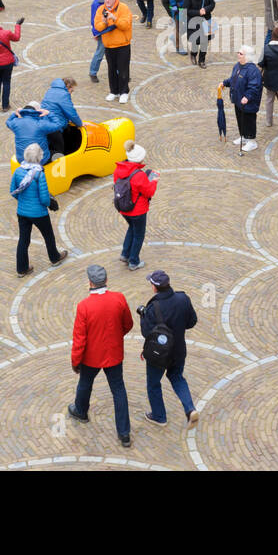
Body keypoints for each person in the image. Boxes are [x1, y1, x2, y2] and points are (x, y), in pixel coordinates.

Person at [68, 265, 134, 446]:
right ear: (106, 280)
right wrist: (115, 337)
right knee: (119, 390)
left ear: (90, 282)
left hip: (91, 357)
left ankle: (81, 411)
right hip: (114, 354)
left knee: (85, 383)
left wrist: (75, 361)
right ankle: (124, 433)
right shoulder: (119, 299)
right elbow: (128, 324)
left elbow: (79, 339)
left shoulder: (84, 306)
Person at [136, 268, 199, 426]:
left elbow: (146, 333)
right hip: (178, 351)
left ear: (155, 287)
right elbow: (192, 322)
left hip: (159, 355)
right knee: (177, 377)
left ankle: (159, 416)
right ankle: (190, 409)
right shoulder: (183, 299)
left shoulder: (153, 307)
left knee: (153, 384)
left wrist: (143, 316)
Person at [10, 143, 67, 276]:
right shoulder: (39, 174)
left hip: (22, 212)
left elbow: (13, 191)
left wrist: (23, 201)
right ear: (39, 157)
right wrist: (50, 204)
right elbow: (44, 198)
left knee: (24, 240)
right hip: (38, 213)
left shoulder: (18, 171)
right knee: (48, 236)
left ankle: (22, 268)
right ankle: (54, 258)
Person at [114, 140, 158, 271]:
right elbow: (149, 192)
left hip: (123, 208)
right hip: (137, 210)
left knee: (131, 229)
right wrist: (154, 181)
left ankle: (125, 254)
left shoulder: (118, 170)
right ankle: (134, 261)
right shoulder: (138, 175)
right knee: (139, 234)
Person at [94, 0, 134, 103]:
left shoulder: (124, 8)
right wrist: (105, 22)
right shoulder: (101, 10)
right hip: (109, 45)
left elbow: (125, 25)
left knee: (123, 69)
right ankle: (114, 91)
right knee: (111, 69)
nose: (107, 0)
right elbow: (97, 26)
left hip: (122, 45)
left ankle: (124, 92)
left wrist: (115, 18)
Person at [225, 44, 263, 152]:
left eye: (240, 53)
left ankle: (252, 141)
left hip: (248, 102)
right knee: (240, 118)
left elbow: (254, 86)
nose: (238, 55)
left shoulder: (253, 71)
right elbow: (233, 79)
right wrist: (225, 83)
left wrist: (247, 97)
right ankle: (244, 136)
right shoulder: (237, 66)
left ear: (247, 56)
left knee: (248, 120)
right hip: (238, 100)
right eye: (238, 52)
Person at [41, 77, 83, 160]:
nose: (71, 93)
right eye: (72, 90)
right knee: (59, 151)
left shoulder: (50, 90)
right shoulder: (64, 94)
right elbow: (71, 112)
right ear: (68, 86)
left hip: (44, 123)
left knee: (49, 146)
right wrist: (80, 123)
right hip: (55, 127)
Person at [185, 0, 216, 69]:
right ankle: (193, 54)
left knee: (205, 42)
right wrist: (198, 12)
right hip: (194, 23)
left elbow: (212, 4)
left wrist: (205, 10)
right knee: (196, 41)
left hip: (206, 21)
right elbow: (186, 11)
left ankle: (201, 60)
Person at [86, 0, 109, 83]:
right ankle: (93, 72)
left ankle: (119, 73)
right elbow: (93, 19)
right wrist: (95, 33)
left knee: (115, 53)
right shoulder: (97, 2)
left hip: (112, 29)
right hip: (103, 31)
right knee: (100, 53)